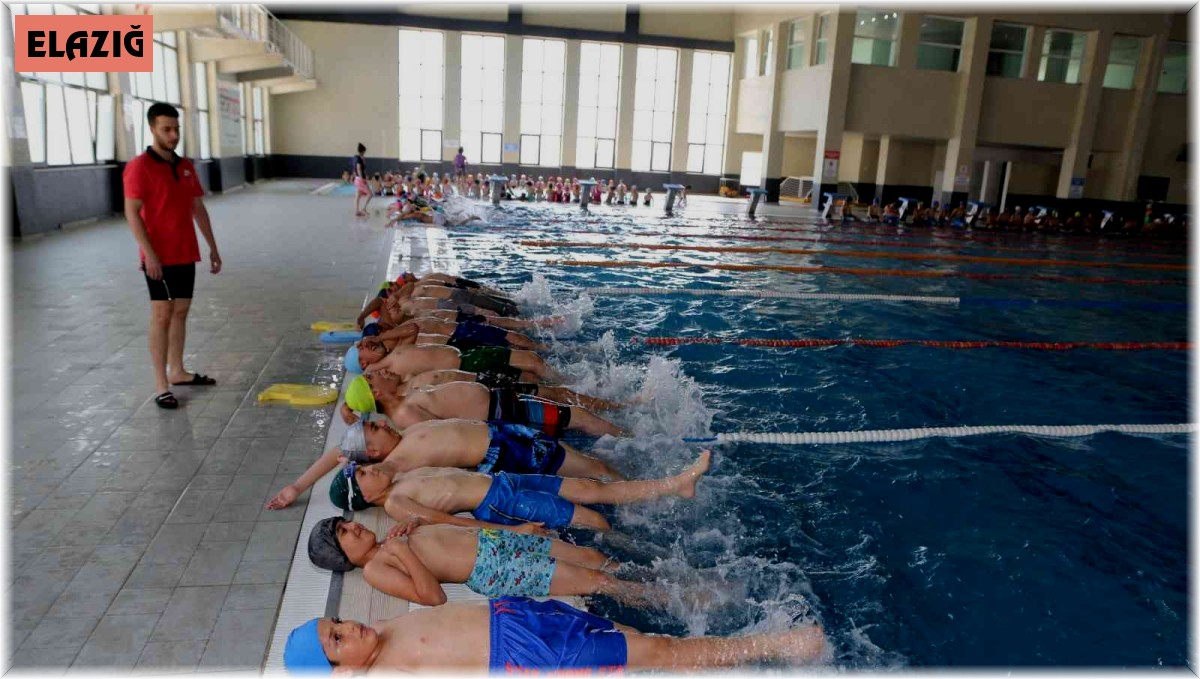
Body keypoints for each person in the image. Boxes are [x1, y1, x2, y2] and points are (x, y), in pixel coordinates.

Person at [283, 597, 827, 672]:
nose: (348, 627)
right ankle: (779, 645)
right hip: (530, 651)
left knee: (630, 637)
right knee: (657, 651)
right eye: (336, 641)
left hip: (516, 614)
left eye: (336, 623)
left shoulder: (376, 633)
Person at [265, 417, 624, 511]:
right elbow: (339, 454)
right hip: (504, 451)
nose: (383, 424)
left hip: (503, 433)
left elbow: (341, 450)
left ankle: (625, 488)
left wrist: (297, 485)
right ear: (371, 454)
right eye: (375, 429)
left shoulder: (401, 435)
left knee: (589, 469)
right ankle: (630, 494)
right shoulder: (396, 463)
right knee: (589, 471)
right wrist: (298, 487)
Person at [304, 517, 675, 608]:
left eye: (345, 523)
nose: (353, 526)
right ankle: (674, 600)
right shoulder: (375, 569)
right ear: (343, 558)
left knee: (593, 559)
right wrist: (403, 551)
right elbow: (432, 597)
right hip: (492, 568)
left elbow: (456, 532)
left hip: (496, 542)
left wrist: (415, 525)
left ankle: (661, 579)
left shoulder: (392, 536)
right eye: (343, 533)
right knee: (596, 581)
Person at [328, 450, 712, 532]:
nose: (370, 468)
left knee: (589, 487)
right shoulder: (396, 503)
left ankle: (675, 485)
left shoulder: (401, 477)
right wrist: (513, 531)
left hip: (503, 481)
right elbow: (450, 522)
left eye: (363, 466)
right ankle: (633, 550)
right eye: (362, 475)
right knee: (591, 519)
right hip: (501, 502)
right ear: (364, 497)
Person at [123, 102, 222, 410]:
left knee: (180, 311)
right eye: (166, 129)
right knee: (162, 314)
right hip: (159, 256)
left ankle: (177, 371)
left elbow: (197, 207)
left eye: (176, 129)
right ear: (152, 129)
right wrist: (149, 255)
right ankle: (160, 384)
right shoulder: (139, 167)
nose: (173, 135)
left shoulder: (185, 166)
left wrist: (212, 247)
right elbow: (132, 212)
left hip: (184, 251)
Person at [344, 375, 626, 437]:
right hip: (502, 415)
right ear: (375, 392)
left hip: (502, 404)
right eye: (371, 378)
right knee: (577, 417)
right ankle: (628, 438)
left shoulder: (405, 400)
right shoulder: (404, 414)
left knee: (573, 419)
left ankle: (620, 433)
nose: (377, 373)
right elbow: (448, 434)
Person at [352, 143, 373, 216]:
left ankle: (357, 211)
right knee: (370, 194)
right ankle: (363, 209)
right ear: (362, 151)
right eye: (364, 151)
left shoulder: (356, 158)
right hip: (360, 179)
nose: (365, 153)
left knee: (358, 195)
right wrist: (362, 179)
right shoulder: (359, 159)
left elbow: (356, 170)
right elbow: (359, 169)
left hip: (357, 179)